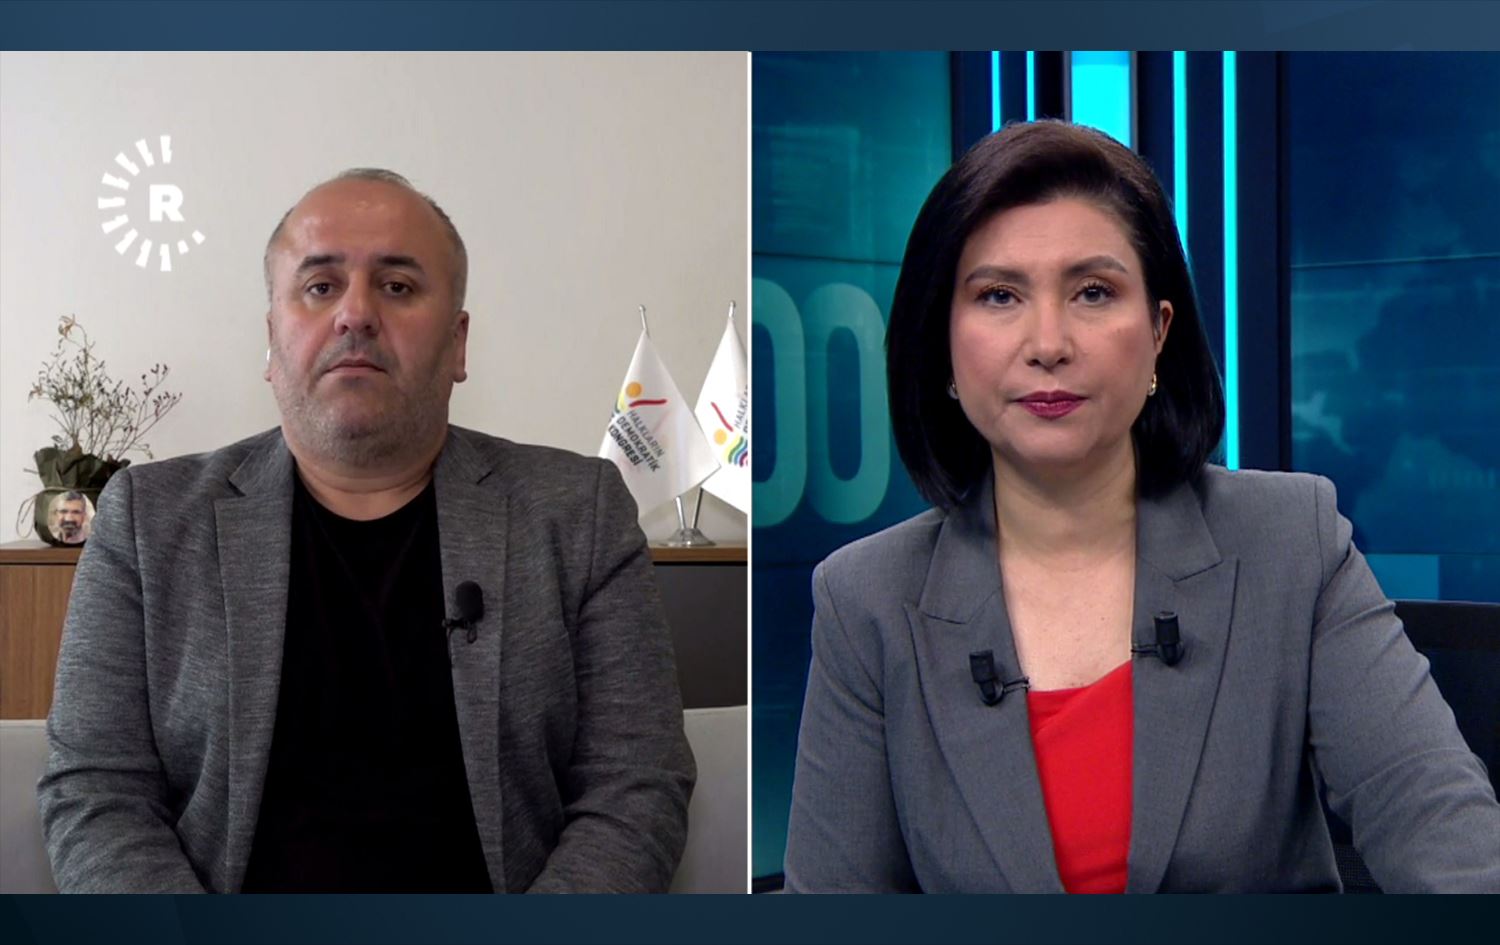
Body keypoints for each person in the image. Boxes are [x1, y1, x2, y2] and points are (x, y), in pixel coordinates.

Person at [782, 121, 1500, 893]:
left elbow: (1445, 834)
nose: (1048, 342)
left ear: (1159, 332)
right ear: (944, 343)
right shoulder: (868, 600)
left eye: (1093, 292)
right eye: (999, 295)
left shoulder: (1293, 542)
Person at [39, 169, 695, 893]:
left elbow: (635, 788)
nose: (355, 313)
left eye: (398, 286)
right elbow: (98, 794)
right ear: (271, 341)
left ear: (459, 344)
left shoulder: (578, 514)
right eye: (321, 286)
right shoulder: (147, 520)